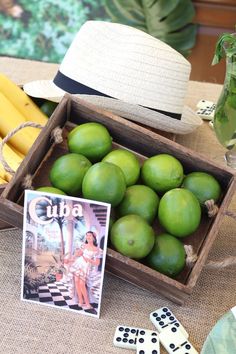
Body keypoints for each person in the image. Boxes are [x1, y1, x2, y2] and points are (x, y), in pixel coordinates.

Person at [68, 231, 100, 310]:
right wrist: (72, 258)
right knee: (77, 283)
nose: (88, 237)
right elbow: (78, 254)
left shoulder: (97, 249)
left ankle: (87, 303)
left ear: (93, 237)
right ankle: (81, 301)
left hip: (86, 266)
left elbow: (97, 263)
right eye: (87, 236)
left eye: (89, 235)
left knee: (82, 284)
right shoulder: (84, 246)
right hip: (78, 264)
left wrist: (89, 259)